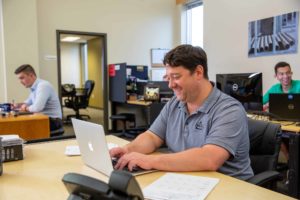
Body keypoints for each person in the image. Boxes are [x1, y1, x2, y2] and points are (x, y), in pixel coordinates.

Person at [110, 45, 253, 180]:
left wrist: (150, 160)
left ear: (198, 72)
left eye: (176, 77)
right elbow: (152, 137)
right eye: (168, 77)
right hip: (187, 179)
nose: (171, 84)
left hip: (227, 187)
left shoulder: (229, 110)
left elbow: (209, 158)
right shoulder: (175, 103)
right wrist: (128, 149)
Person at [263, 62, 300, 160]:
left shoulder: (299, 85)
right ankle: (290, 160)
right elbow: (259, 105)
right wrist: (267, 105)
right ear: (276, 76)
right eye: (281, 74)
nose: (285, 76)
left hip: (297, 125)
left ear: (291, 73)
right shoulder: (274, 88)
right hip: (281, 124)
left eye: (288, 73)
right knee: (273, 133)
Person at [14, 64, 63, 132]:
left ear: (31, 75)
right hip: (43, 118)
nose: (20, 82)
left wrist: (25, 108)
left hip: (53, 121)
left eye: (22, 78)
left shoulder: (43, 85)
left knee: (21, 126)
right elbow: (28, 102)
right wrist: (16, 105)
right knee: (19, 123)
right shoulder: (34, 87)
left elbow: (37, 108)